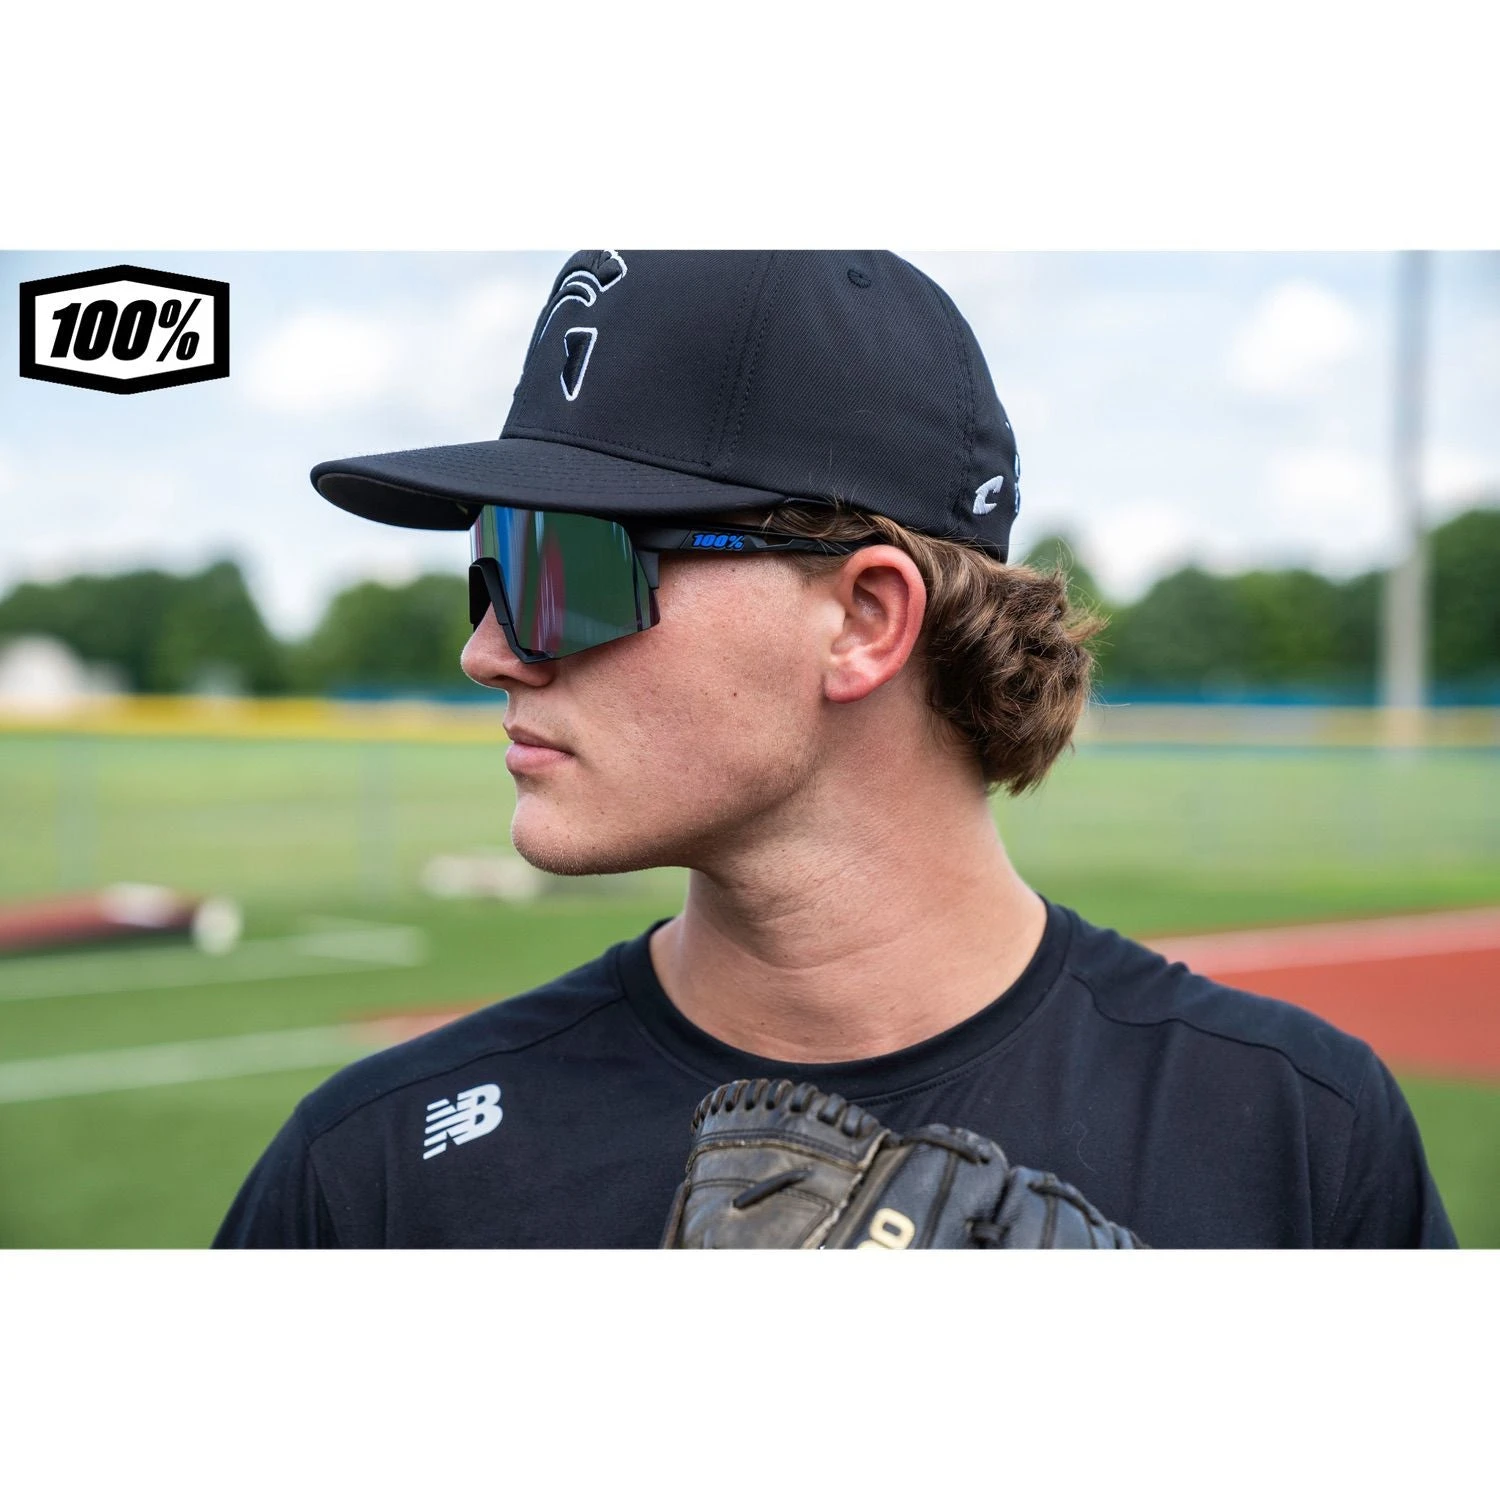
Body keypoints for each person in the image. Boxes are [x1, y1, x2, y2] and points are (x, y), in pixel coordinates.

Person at [214, 250, 1455, 1249]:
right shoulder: (370, 1171)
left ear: (863, 620)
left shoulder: (1298, 1132)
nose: (488, 650)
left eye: (562, 568)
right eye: (489, 564)